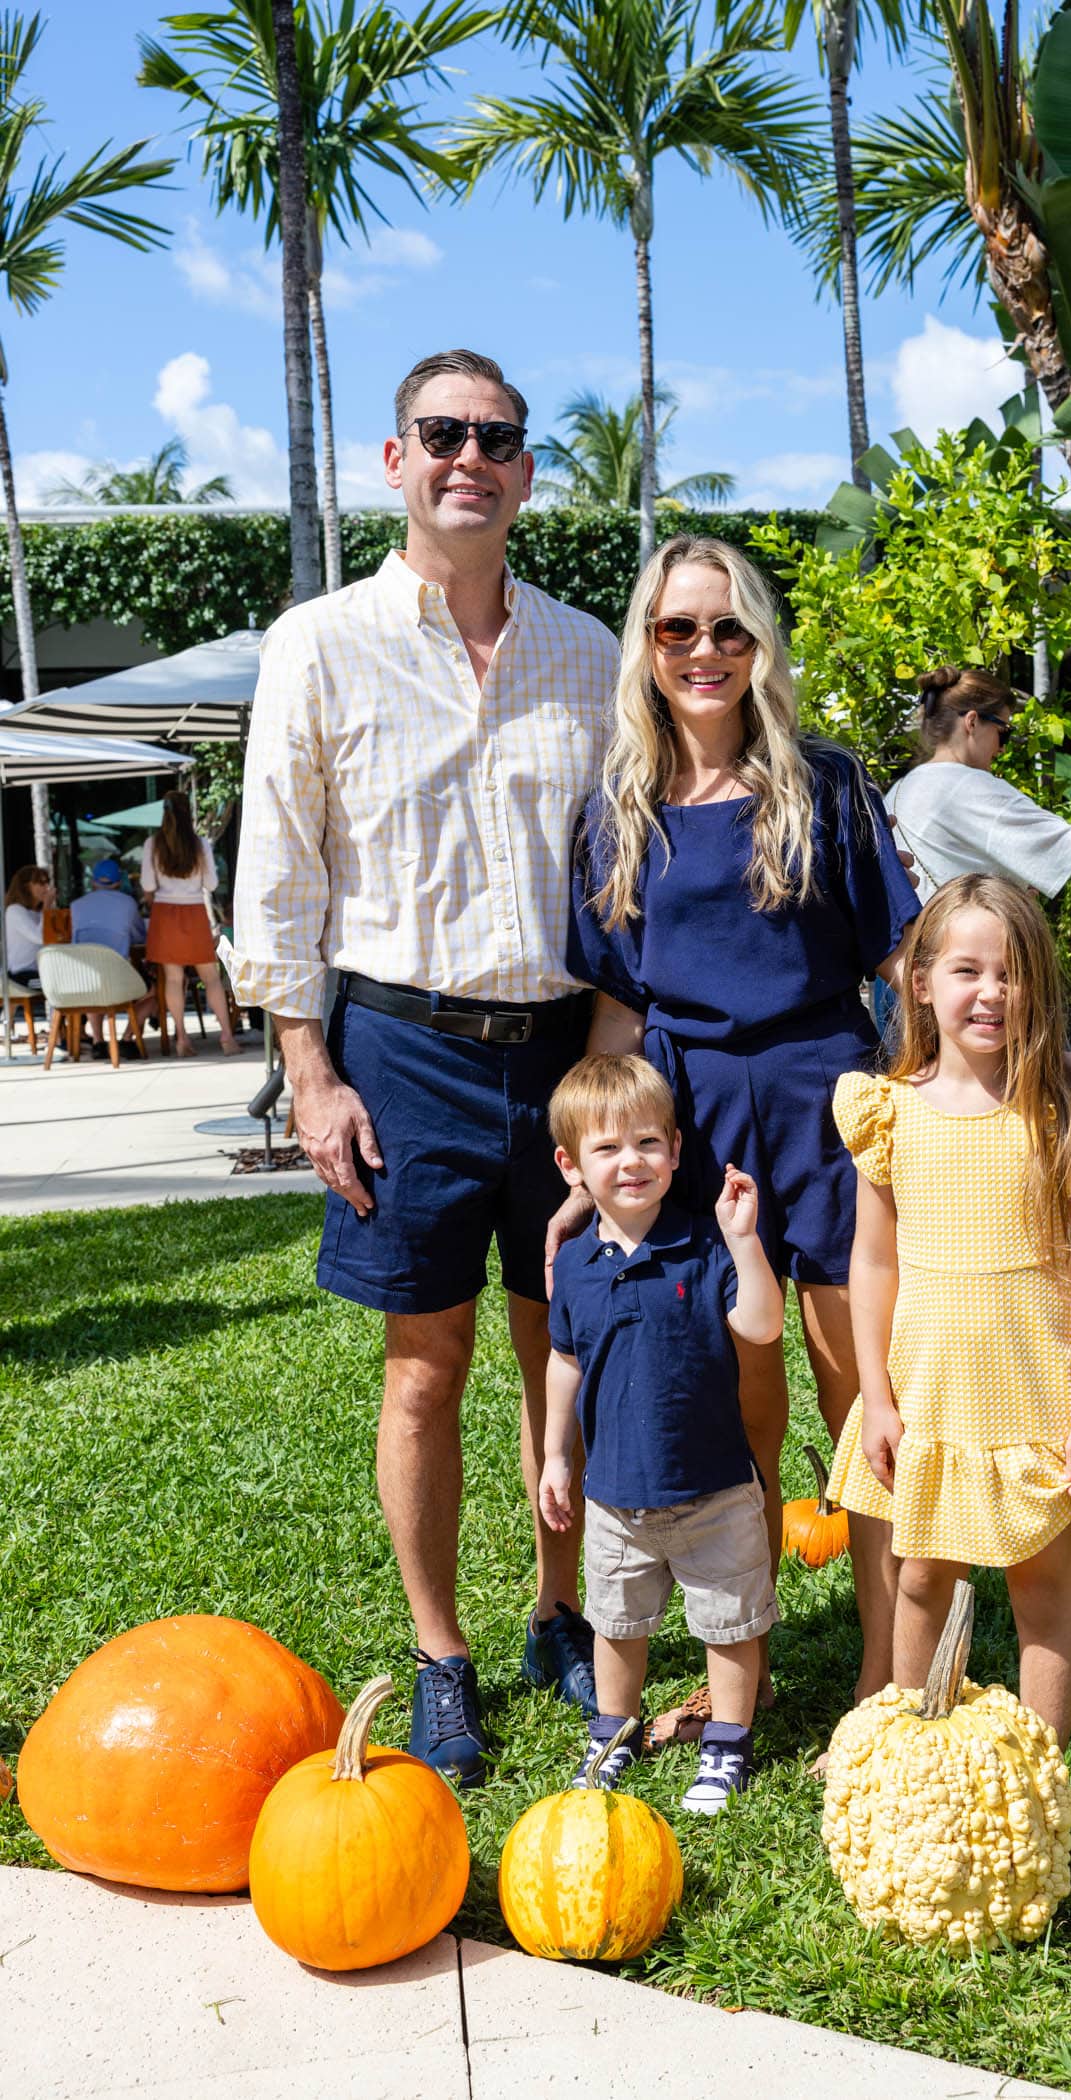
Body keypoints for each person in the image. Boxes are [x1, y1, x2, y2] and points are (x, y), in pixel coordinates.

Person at [228, 348, 621, 1788]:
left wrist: (618, 1053)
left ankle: (559, 1614)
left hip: (565, 1051)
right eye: (443, 433)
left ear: (526, 471)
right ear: (396, 459)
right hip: (398, 1050)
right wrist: (308, 1066)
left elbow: (621, 863)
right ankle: (442, 1657)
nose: (471, 458)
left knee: (564, 1350)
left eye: (498, 438)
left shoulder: (591, 652)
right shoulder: (318, 643)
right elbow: (279, 870)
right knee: (424, 1368)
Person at [563, 534, 921, 1711]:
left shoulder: (827, 783)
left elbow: (903, 959)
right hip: (694, 1119)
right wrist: (595, 1159)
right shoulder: (616, 811)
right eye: (678, 629)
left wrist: (997, 1073)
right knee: (734, 1410)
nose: (704, 650)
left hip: (827, 1101)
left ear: (759, 643)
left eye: (727, 627)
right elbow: (619, 1007)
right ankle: (743, 1677)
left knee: (860, 1397)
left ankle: (883, 1677)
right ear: (647, 647)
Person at [826, 875, 1071, 1747]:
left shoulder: (1063, 1121)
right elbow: (872, 1262)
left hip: (1035, 1404)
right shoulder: (887, 1114)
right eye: (967, 970)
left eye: (1011, 974)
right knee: (919, 1582)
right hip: (929, 1402)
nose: (990, 993)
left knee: (1040, 1592)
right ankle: (916, 1757)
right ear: (919, 982)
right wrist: (876, 1398)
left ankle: (1040, 1771)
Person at [540, 1054, 784, 1813]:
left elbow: (762, 1325)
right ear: (571, 1166)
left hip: (715, 1487)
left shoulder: (706, 1248)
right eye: (607, 1148)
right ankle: (612, 1734)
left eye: (647, 1142)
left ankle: (727, 1746)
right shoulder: (574, 1265)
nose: (631, 1162)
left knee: (728, 1624)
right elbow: (563, 1361)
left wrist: (743, 1239)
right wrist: (554, 1455)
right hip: (615, 1495)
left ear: (676, 1151)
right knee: (617, 1624)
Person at [885, 664, 1071, 903]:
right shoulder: (970, 786)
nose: (1002, 748)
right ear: (972, 722)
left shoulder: (900, 789)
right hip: (961, 954)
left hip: (913, 953)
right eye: (1004, 732)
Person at [141, 794, 242, 1057]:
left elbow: (148, 885)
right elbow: (211, 884)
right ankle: (227, 1036)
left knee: (174, 979)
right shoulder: (200, 844)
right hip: (194, 911)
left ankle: (182, 1038)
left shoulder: (152, 844)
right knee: (211, 977)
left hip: (165, 913)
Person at [71, 857, 158, 1056]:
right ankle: (127, 1039)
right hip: (118, 978)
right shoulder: (128, 903)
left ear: (93, 882)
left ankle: (98, 1041)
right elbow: (140, 937)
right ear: (118, 882)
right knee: (154, 992)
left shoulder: (76, 905)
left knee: (94, 990)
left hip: (84, 979)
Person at [4, 864, 53, 986]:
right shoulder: (14, 911)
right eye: (41, 883)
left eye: (47, 882)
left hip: (40, 971)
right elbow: (40, 937)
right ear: (25, 886)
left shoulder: (37, 913)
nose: (46, 887)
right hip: (21, 975)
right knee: (58, 984)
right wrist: (46, 908)